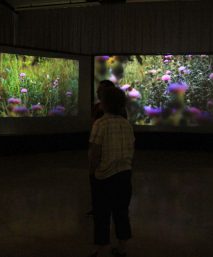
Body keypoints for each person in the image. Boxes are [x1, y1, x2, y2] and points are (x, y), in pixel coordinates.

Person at [88, 86, 135, 257]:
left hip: (104, 178)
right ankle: (122, 248)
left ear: (104, 104)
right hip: (124, 176)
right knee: (122, 213)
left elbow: (94, 153)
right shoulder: (126, 124)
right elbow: (131, 150)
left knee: (101, 215)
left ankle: (102, 250)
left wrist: (92, 172)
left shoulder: (100, 124)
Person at [87, 80, 128, 216]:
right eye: (98, 89)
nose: (98, 92)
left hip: (107, 159)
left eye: (101, 90)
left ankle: (102, 209)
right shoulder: (97, 108)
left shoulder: (105, 121)